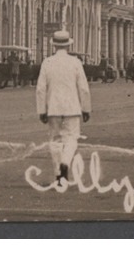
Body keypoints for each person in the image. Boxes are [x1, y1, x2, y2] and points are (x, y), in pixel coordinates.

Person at [36, 30, 92, 184]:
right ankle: (66, 162)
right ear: (68, 46)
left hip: (53, 108)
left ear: (54, 46)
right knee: (71, 138)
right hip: (72, 108)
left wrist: (42, 110)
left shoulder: (47, 62)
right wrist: (86, 108)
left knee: (55, 140)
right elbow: (83, 88)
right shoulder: (75, 62)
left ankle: (58, 174)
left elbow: (41, 88)